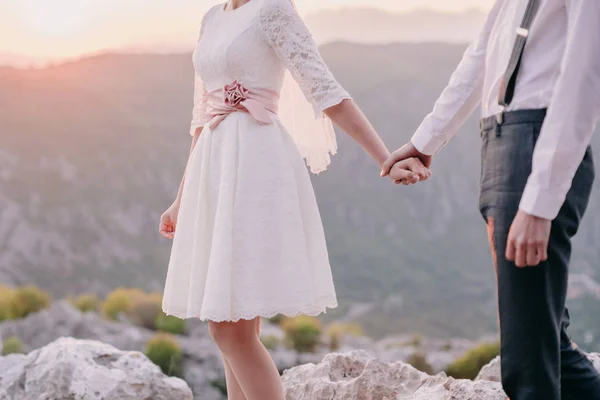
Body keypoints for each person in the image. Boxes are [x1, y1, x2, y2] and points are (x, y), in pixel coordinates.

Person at [158, 0, 428, 399]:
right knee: (236, 319)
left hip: (255, 164)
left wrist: (387, 158)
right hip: (214, 168)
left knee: (226, 330)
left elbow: (326, 90)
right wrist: (182, 198)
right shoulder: (212, 18)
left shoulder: (273, 9)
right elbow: (201, 116)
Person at [382, 0, 600, 399]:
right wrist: (423, 141)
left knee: (526, 360)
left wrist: (539, 202)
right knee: (546, 344)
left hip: (536, 149)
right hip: (500, 143)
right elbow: (482, 56)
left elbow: (584, 76)